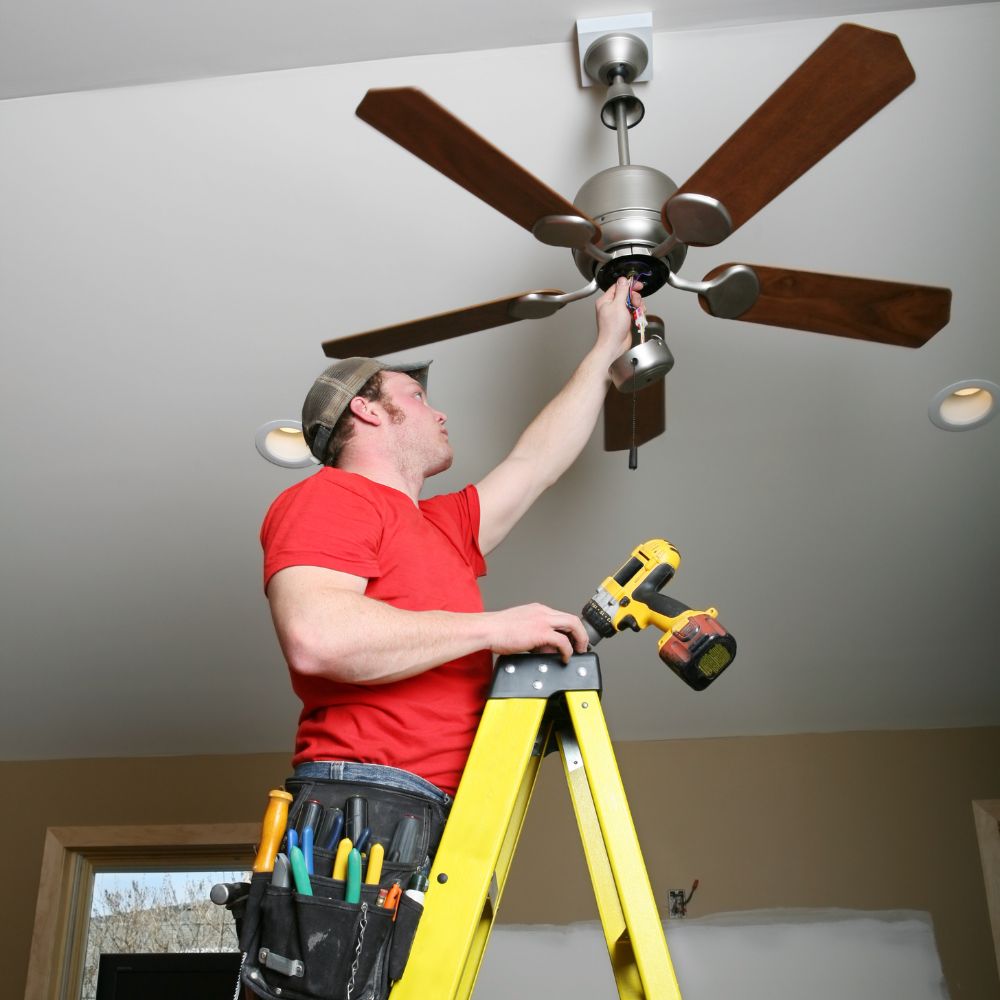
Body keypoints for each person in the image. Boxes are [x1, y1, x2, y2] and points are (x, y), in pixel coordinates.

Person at [260, 277, 641, 806]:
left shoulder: (441, 526)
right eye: (416, 397)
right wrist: (496, 627)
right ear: (367, 411)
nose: (439, 413)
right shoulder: (329, 498)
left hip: (442, 806)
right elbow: (318, 638)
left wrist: (607, 348)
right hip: (367, 794)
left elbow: (536, 464)